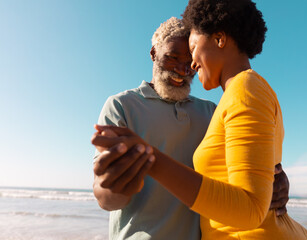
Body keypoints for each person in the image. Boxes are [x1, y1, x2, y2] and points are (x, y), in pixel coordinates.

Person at [92, 16, 290, 240]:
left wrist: (276, 181)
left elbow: (243, 174)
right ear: (153, 54)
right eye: (172, 57)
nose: (182, 69)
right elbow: (104, 196)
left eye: (189, 62)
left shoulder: (211, 112)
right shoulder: (122, 105)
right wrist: (115, 189)